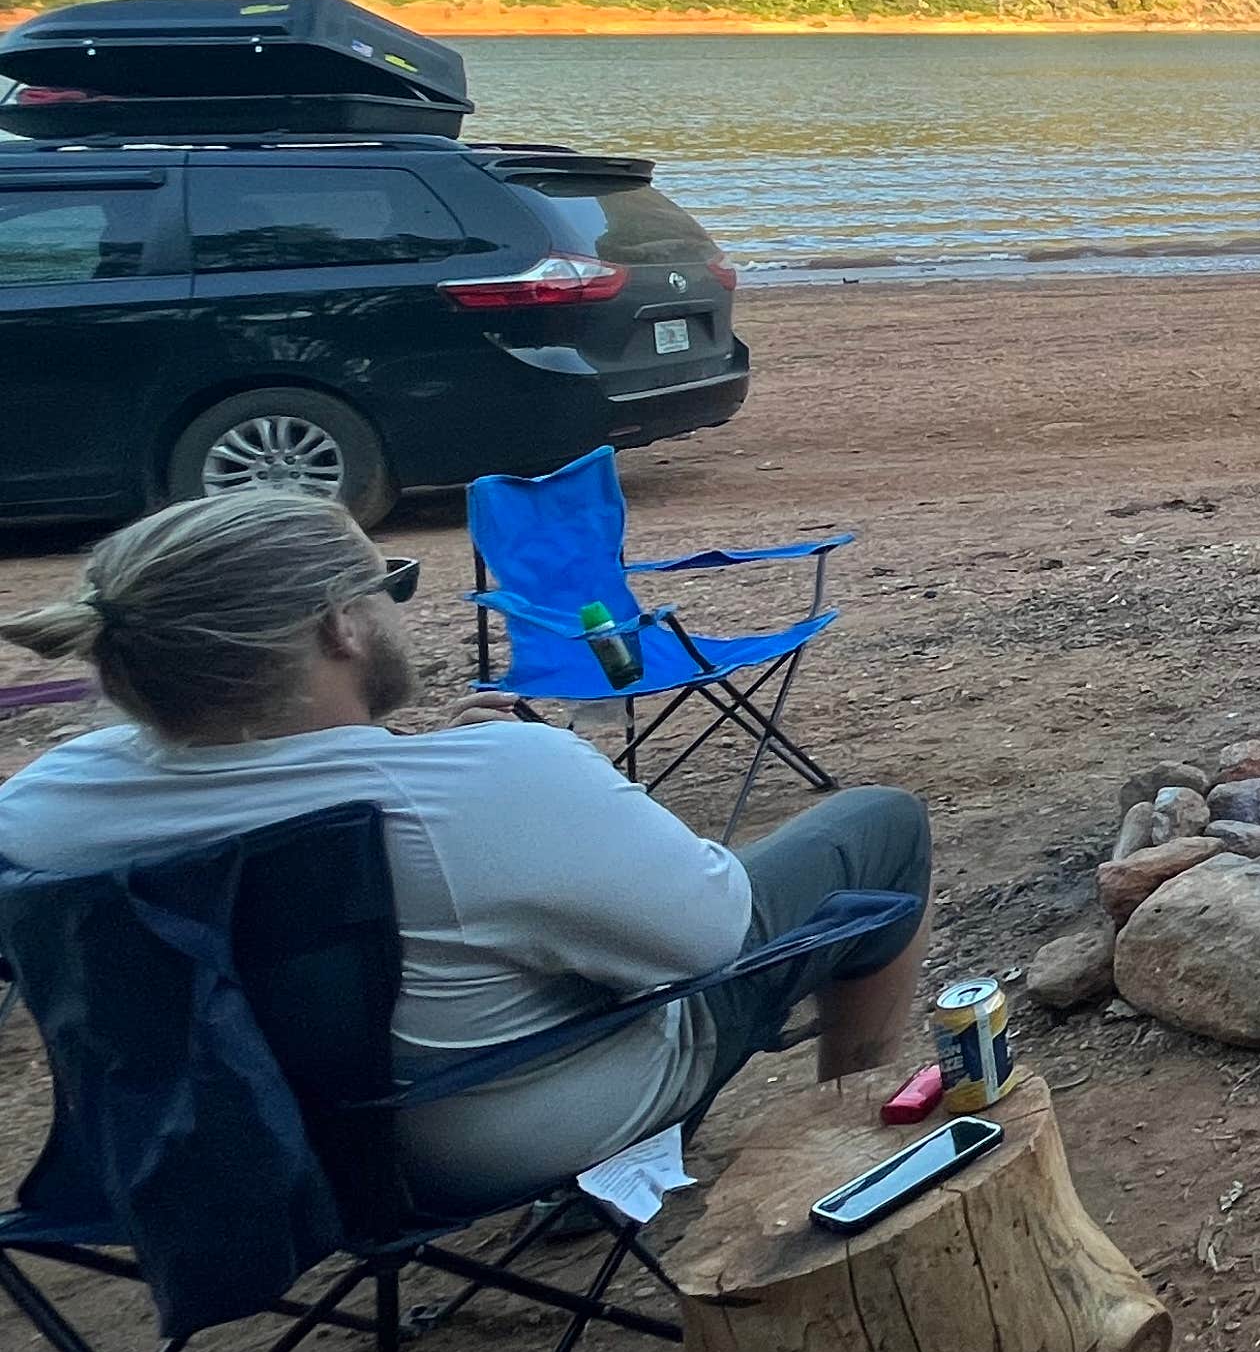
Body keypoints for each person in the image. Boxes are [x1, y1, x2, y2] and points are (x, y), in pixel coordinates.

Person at [0, 489, 931, 1217]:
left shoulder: (39, 812)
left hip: (203, 1159)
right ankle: (855, 1148)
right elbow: (710, 941)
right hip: (475, 1141)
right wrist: (558, 794)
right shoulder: (488, 785)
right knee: (879, 828)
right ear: (341, 625)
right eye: (388, 585)